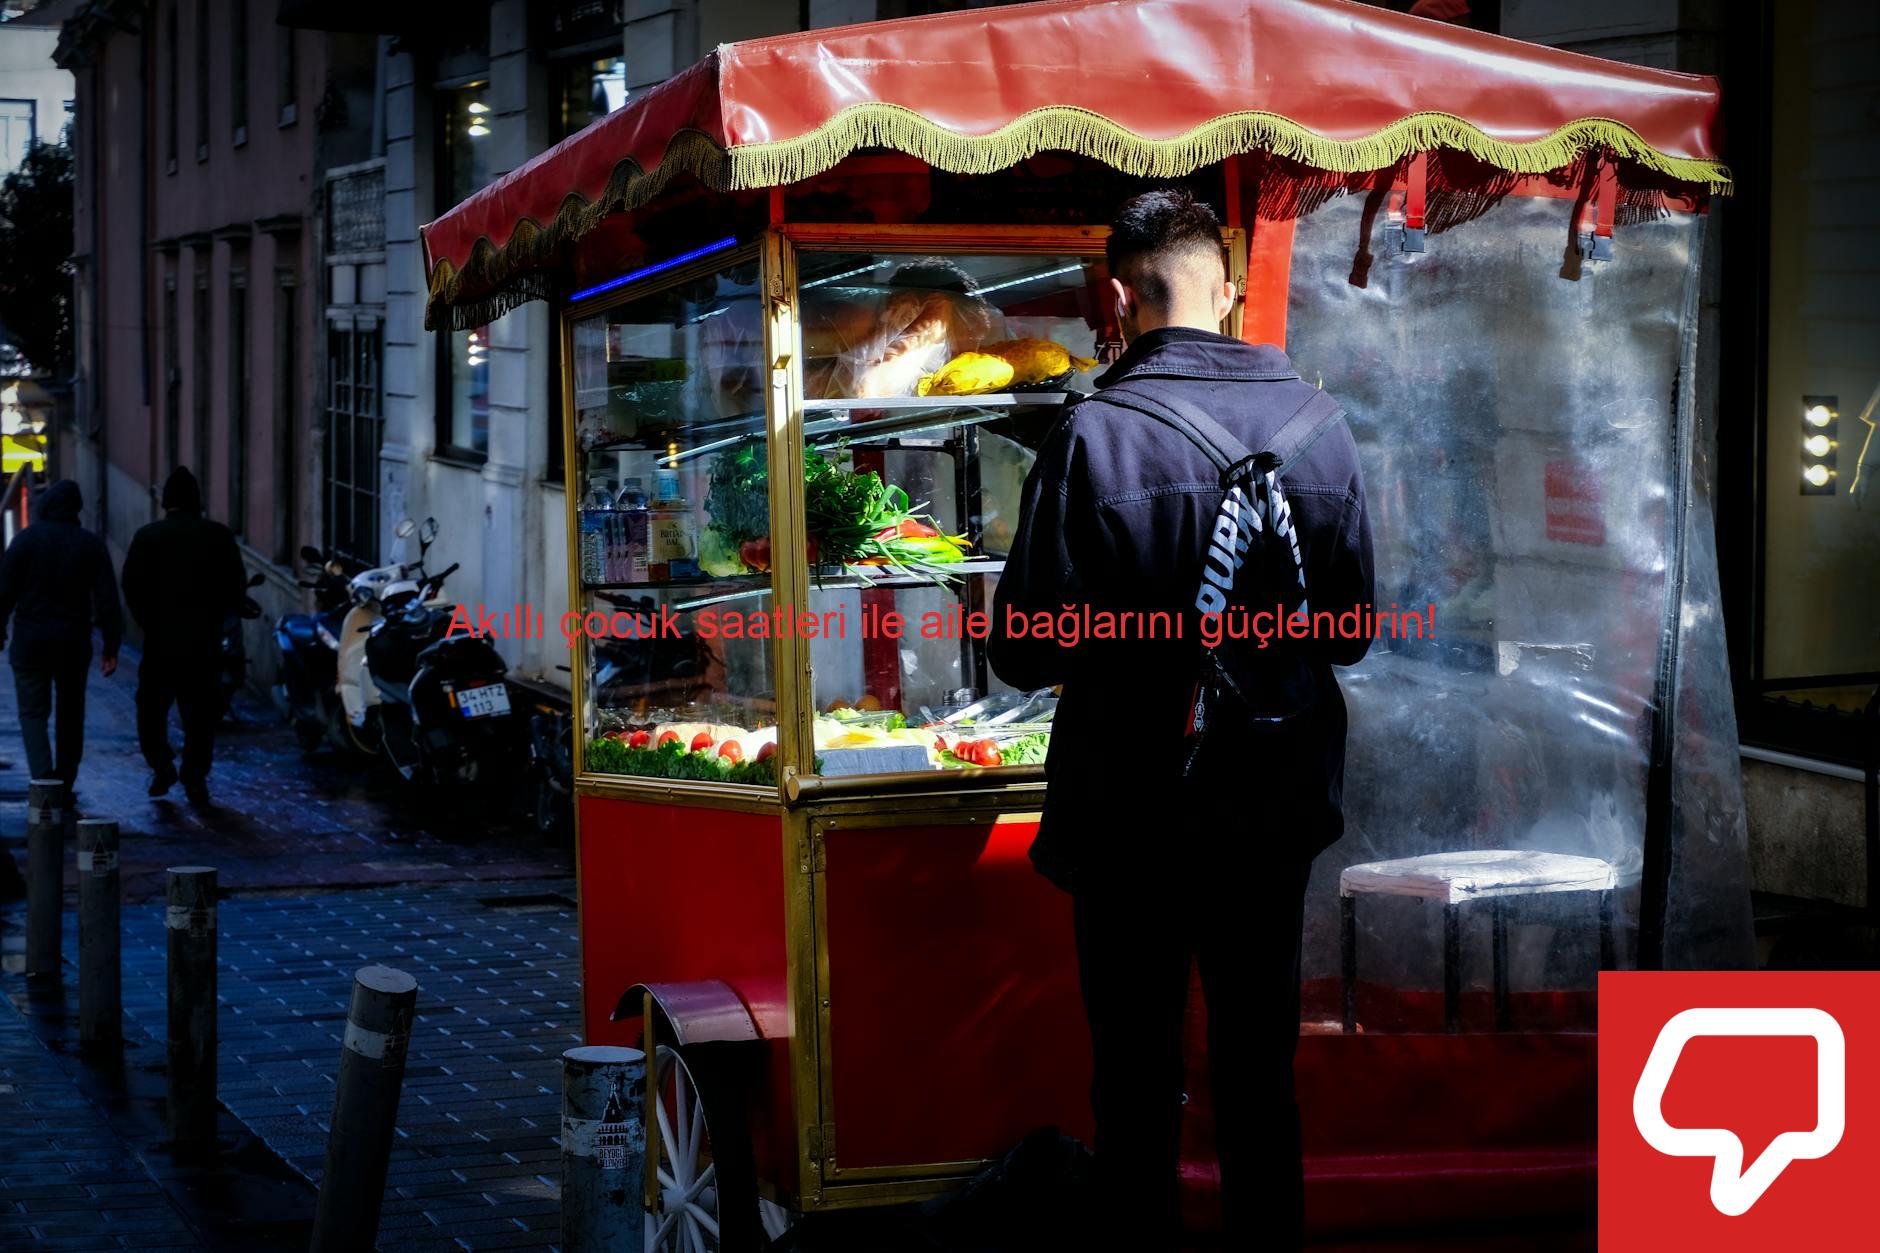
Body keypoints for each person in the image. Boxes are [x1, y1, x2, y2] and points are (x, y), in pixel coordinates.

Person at [989, 189, 1375, 1248]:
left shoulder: (1090, 436)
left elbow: (1020, 644)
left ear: (1114, 298)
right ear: (1230, 287)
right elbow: (1349, 632)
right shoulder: (1322, 427)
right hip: (1272, 807)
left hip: (1129, 818)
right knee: (1259, 1075)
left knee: (1135, 1081)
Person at [121, 466, 247, 806]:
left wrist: (149, 621)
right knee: (200, 716)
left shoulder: (148, 536)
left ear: (166, 501)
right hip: (204, 642)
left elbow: (131, 586)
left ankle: (162, 765)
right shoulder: (218, 536)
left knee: (151, 710)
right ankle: (195, 776)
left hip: (161, 642)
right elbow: (236, 586)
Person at [0, 479, 122, 792]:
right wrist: (111, 647)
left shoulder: (26, 541)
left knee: (32, 713)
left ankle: (44, 782)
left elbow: (4, 593)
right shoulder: (89, 544)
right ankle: (65, 780)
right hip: (72, 642)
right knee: (71, 714)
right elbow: (108, 599)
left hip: (29, 641)